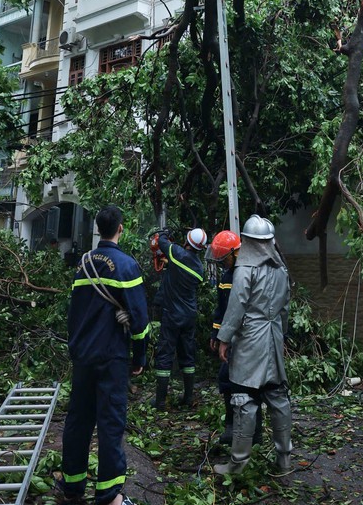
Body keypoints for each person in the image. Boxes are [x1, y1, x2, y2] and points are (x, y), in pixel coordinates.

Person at [56, 205, 149, 505]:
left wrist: (76, 348)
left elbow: (74, 313)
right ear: (120, 228)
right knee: (110, 423)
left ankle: (72, 487)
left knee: (78, 420)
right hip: (111, 358)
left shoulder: (83, 264)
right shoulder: (126, 266)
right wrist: (140, 358)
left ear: (98, 228)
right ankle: (110, 497)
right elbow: (140, 320)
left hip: (83, 356)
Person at [213, 215, 292, 476]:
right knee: (278, 396)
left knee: (244, 398)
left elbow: (236, 308)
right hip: (273, 336)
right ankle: (284, 460)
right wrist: (282, 336)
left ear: (247, 242)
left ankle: (238, 463)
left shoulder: (245, 269)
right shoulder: (281, 269)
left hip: (251, 340)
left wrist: (224, 338)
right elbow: (285, 309)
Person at [208, 229, 263, 446]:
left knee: (251, 386)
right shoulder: (226, 278)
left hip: (248, 339)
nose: (223, 264)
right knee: (226, 380)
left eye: (224, 260)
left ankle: (255, 435)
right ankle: (232, 426)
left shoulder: (250, 274)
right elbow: (222, 309)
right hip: (231, 340)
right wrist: (216, 333)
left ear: (235, 253)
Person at [152, 226, 207, 410]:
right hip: (189, 315)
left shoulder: (177, 253)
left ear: (187, 242)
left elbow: (161, 242)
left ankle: (160, 400)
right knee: (187, 353)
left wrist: (165, 232)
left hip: (172, 314)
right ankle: (189, 397)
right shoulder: (199, 267)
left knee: (165, 353)